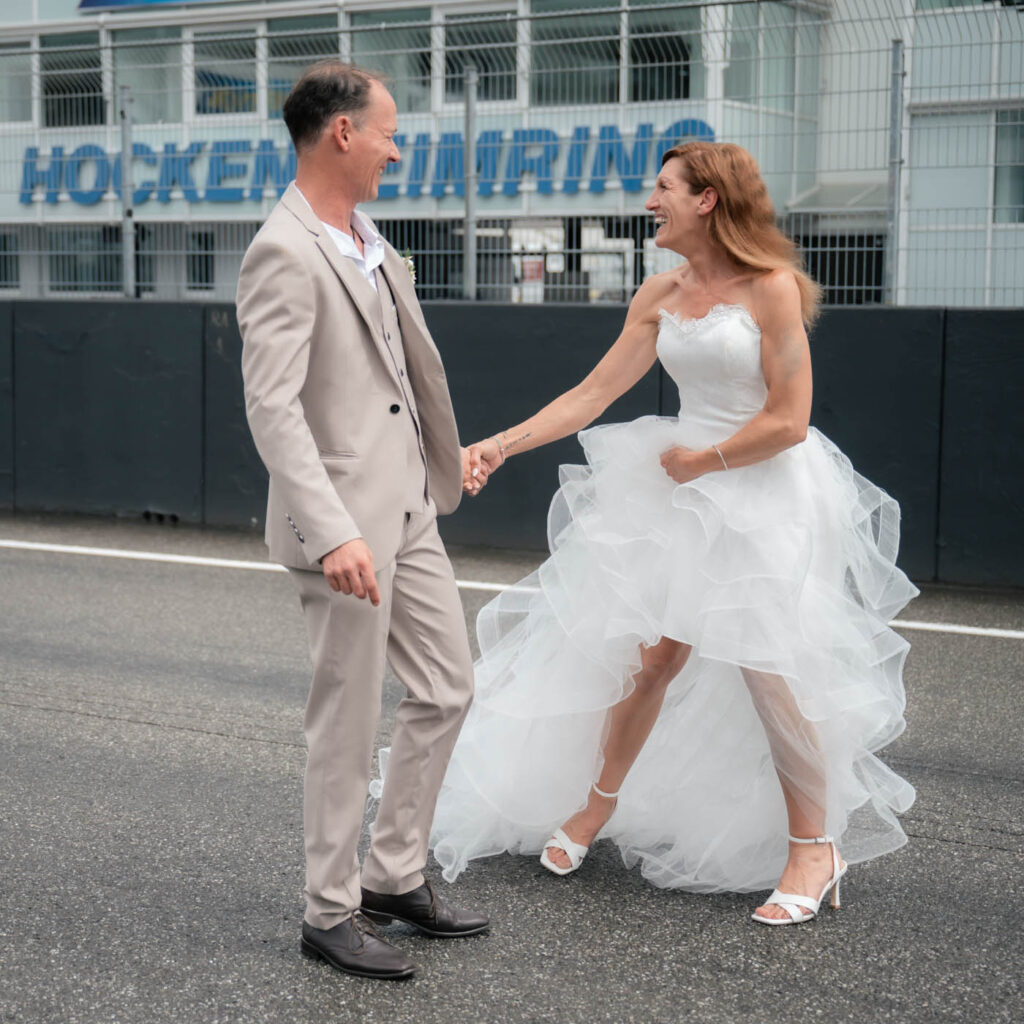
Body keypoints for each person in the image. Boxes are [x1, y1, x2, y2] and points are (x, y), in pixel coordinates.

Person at [434, 141, 918, 925]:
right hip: (681, 487)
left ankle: (813, 847)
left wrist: (709, 460)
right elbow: (591, 395)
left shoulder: (773, 291)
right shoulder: (660, 292)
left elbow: (790, 419)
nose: (648, 200)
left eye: (662, 188)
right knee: (651, 655)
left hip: (762, 488)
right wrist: (498, 444)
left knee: (768, 668)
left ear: (707, 201)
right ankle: (596, 807)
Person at [237, 62, 488, 980]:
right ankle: (329, 911)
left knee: (448, 688)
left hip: (412, 509)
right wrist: (331, 527)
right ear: (342, 133)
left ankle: (392, 876)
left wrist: (435, 455)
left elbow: (392, 379)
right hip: (343, 527)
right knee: (344, 723)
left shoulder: (367, 236)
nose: (396, 147)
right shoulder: (284, 249)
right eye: (388, 131)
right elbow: (275, 408)